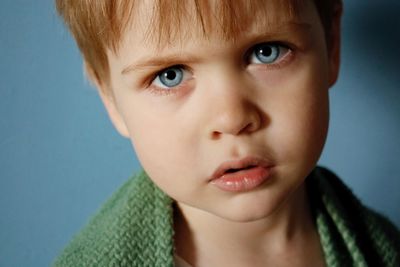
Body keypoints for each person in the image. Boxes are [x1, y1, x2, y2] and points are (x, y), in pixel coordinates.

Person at [53, 0, 400, 266]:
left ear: (331, 45)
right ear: (110, 98)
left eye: (267, 52)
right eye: (170, 75)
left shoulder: (378, 245)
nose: (233, 118)